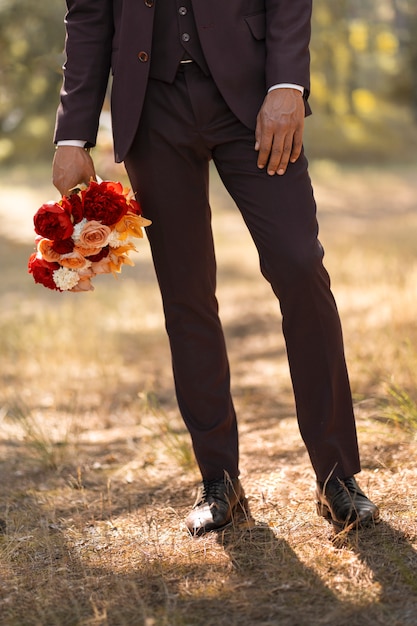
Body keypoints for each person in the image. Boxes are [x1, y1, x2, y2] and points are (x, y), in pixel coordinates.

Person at [52, 0, 379, 535]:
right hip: (150, 107)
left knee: (300, 267)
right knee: (186, 294)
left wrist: (287, 85)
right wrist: (72, 136)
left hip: (253, 96)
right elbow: (88, 16)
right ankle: (219, 480)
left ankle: (338, 477)